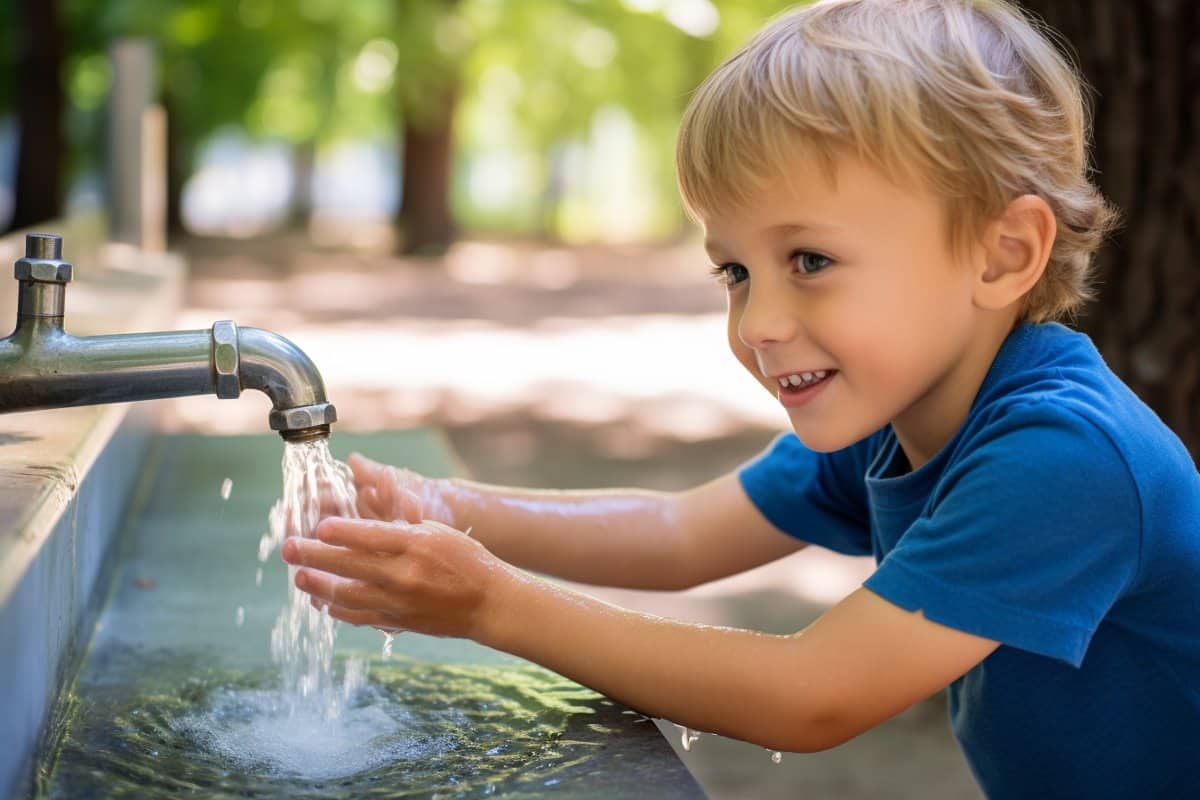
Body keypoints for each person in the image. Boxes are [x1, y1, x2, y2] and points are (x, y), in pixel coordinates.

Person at [281, 1, 1200, 796]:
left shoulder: (1064, 456)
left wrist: (490, 605)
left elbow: (813, 694)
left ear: (1002, 254)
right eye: (735, 269)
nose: (758, 322)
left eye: (810, 261)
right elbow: (681, 536)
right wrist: (452, 510)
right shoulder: (900, 414)